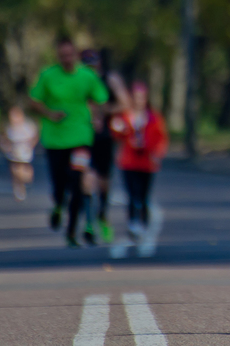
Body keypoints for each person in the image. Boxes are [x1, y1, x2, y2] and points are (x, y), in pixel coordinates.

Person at [27, 36, 110, 248]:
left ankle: (72, 231)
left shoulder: (87, 75)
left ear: (75, 54)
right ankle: (57, 206)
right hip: (55, 139)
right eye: (63, 56)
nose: (67, 59)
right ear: (58, 56)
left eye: (70, 55)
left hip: (80, 137)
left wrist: (98, 117)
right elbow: (33, 101)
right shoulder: (48, 76)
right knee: (59, 185)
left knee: (78, 181)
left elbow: (100, 98)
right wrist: (49, 112)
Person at [109, 80, 168, 253]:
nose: (138, 100)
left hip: (147, 162)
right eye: (135, 97)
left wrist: (157, 153)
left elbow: (161, 138)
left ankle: (143, 223)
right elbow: (117, 133)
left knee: (143, 196)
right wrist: (118, 129)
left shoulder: (154, 117)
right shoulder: (126, 116)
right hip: (128, 161)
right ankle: (132, 223)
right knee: (131, 194)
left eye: (141, 97)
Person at [81, 48, 115, 243]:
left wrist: (103, 110)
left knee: (103, 181)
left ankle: (102, 213)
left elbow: (125, 103)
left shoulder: (109, 81)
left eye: (93, 64)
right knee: (86, 177)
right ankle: (88, 222)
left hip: (104, 138)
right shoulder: (78, 82)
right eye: (87, 65)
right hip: (82, 137)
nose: (91, 69)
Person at [0, 104, 39, 201]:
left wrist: (31, 144)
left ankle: (27, 182)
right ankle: (18, 189)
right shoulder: (9, 127)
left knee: (24, 170)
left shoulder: (28, 126)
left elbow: (35, 137)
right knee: (15, 170)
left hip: (25, 152)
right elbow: (4, 138)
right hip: (14, 153)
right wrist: (5, 147)